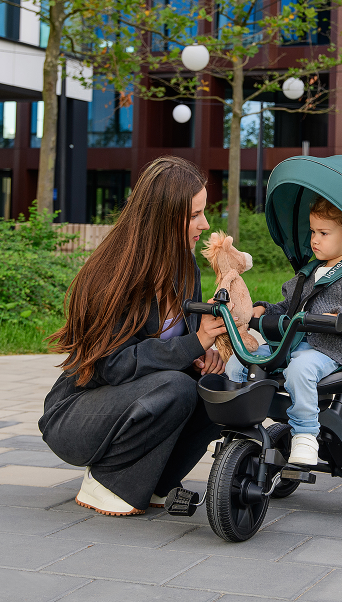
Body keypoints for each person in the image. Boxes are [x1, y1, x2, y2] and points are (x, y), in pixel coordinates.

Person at [39, 156, 230, 516]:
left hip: (139, 399)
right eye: (193, 215)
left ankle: (158, 483)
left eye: (203, 212)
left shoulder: (185, 265)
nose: (204, 224)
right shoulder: (111, 276)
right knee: (176, 388)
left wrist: (203, 356)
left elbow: (179, 345)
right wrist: (192, 344)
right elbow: (110, 366)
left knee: (218, 393)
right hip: (78, 414)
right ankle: (108, 482)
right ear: (161, 216)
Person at [225, 196, 342, 466]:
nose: (315, 240)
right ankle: (242, 426)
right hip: (291, 345)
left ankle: (306, 434)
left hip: (332, 350)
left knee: (301, 370)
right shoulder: (309, 273)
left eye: (323, 233)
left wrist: (338, 316)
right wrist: (264, 310)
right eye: (312, 232)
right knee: (238, 362)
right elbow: (289, 307)